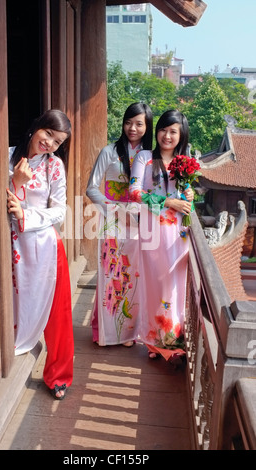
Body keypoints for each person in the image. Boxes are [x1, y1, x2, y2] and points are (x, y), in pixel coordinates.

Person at [6, 109, 74, 400]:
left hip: (45, 246)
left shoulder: (54, 167)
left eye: (57, 142)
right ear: (37, 127)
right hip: (9, 244)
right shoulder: (6, 154)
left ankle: (59, 374)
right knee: (11, 301)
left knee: (58, 314)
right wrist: (16, 184)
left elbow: (59, 210)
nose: (49, 144)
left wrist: (26, 215)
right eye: (48, 134)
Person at [129, 109, 194, 365]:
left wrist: (189, 196)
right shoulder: (145, 157)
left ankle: (174, 340)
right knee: (154, 284)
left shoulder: (183, 160)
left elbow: (187, 193)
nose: (167, 135)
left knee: (175, 286)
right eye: (164, 129)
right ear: (157, 132)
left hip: (179, 233)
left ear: (181, 135)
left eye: (173, 131)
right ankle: (153, 340)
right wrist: (169, 202)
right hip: (153, 232)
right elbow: (134, 192)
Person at [86, 102, 153, 347]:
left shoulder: (150, 157)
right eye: (128, 122)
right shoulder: (109, 152)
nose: (132, 128)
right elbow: (91, 188)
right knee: (110, 273)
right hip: (112, 221)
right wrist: (115, 209)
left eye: (139, 124)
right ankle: (106, 331)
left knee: (132, 276)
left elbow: (152, 191)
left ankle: (127, 332)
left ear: (147, 127)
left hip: (138, 223)